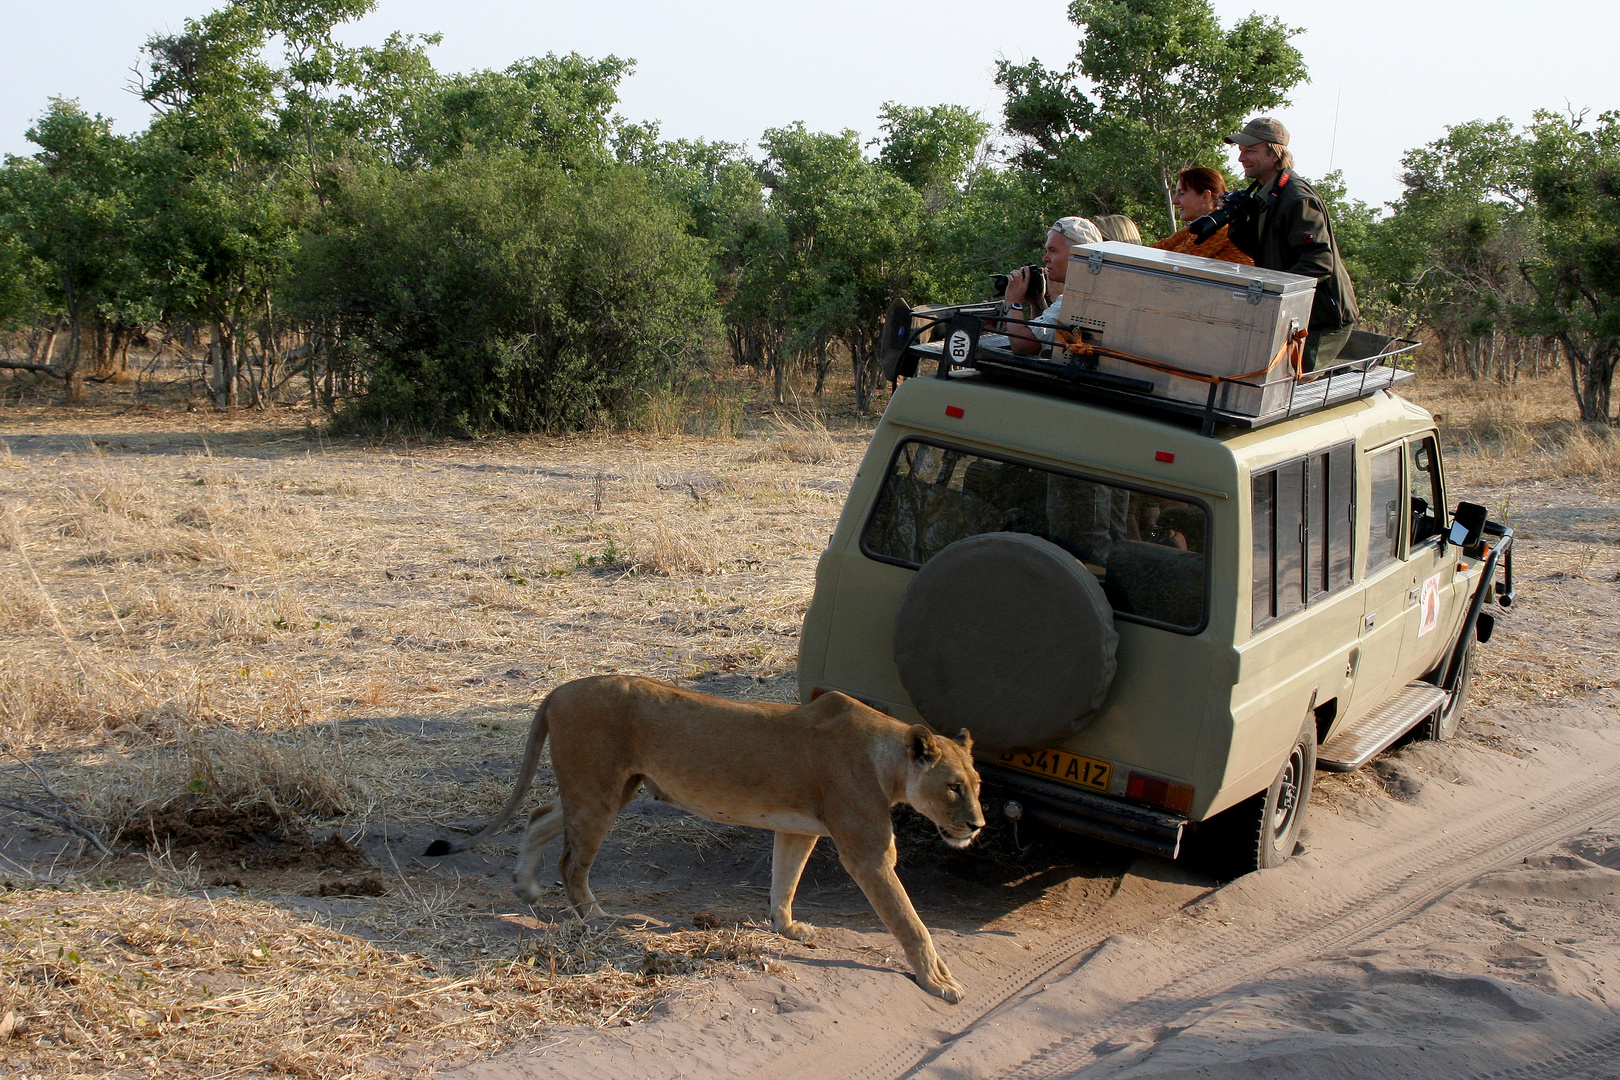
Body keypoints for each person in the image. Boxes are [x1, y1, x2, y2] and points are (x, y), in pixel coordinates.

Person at [1222, 117, 1360, 371]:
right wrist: (1238, 220)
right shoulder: (1267, 193)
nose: (1241, 158)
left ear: (1274, 154)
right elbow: (1262, 250)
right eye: (1241, 151)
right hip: (1297, 317)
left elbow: (1319, 263)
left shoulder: (1296, 198)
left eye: (1250, 151)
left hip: (1322, 319)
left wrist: (1275, 295)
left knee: (1291, 380)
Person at [1001, 216, 1103, 357]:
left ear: (1077, 256)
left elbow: (1021, 345)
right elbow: (1042, 337)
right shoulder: (1093, 291)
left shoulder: (1077, 300)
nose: (1045, 258)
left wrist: (1013, 303)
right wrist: (1037, 303)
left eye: (1053, 250)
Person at [1151, 167, 1254, 265]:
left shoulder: (1220, 226)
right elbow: (1159, 248)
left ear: (1205, 196)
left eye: (1182, 194)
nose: (1174, 201)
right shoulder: (1204, 225)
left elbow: (1176, 262)